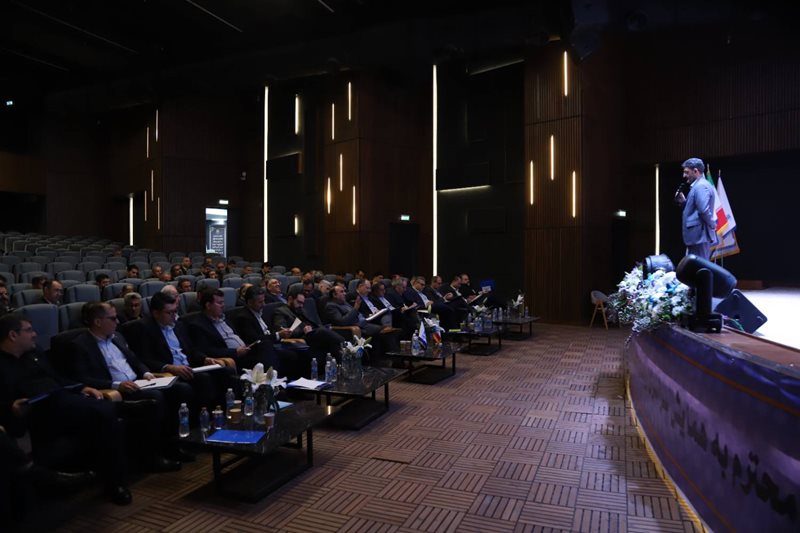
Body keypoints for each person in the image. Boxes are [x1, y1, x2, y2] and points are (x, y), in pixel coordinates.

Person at [0, 315, 132, 505]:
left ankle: (115, 482)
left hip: (59, 400)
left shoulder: (34, 353)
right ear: (13, 335)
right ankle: (119, 410)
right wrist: (10, 408)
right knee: (103, 414)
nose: (35, 334)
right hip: (35, 414)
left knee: (104, 420)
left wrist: (81, 387)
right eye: (28, 330)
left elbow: (56, 378)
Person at [69, 303, 189, 469]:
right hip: (117, 391)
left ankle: (174, 445)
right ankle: (151, 457)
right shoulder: (80, 345)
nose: (117, 321)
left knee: (181, 389)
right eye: (113, 318)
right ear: (97, 322)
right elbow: (82, 378)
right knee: (156, 398)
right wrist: (116, 385)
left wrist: (146, 373)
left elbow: (135, 360)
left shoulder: (117, 337)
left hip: (139, 382)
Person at [135, 292, 235, 413]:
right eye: (169, 313)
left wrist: (204, 359)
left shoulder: (178, 325)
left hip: (189, 368)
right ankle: (204, 418)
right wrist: (169, 367)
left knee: (226, 371)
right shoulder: (144, 329)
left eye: (175, 311)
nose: (174, 316)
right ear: (156, 313)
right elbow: (144, 359)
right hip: (170, 373)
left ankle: (229, 412)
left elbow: (191, 350)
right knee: (202, 380)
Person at [187, 289, 278, 372]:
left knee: (266, 345)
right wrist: (235, 352)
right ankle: (272, 379)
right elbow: (207, 350)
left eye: (223, 302)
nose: (223, 305)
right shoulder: (198, 325)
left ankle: (274, 378)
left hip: (245, 351)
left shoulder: (225, 318)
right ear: (208, 305)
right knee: (266, 349)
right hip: (232, 359)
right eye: (219, 303)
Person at [675, 157, 717, 260]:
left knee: (699, 266)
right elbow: (697, 210)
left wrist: (712, 224)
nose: (684, 175)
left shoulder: (701, 186)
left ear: (695, 171)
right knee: (695, 266)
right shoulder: (697, 186)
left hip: (700, 237)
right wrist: (684, 203)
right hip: (697, 237)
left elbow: (703, 210)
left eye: (686, 172)